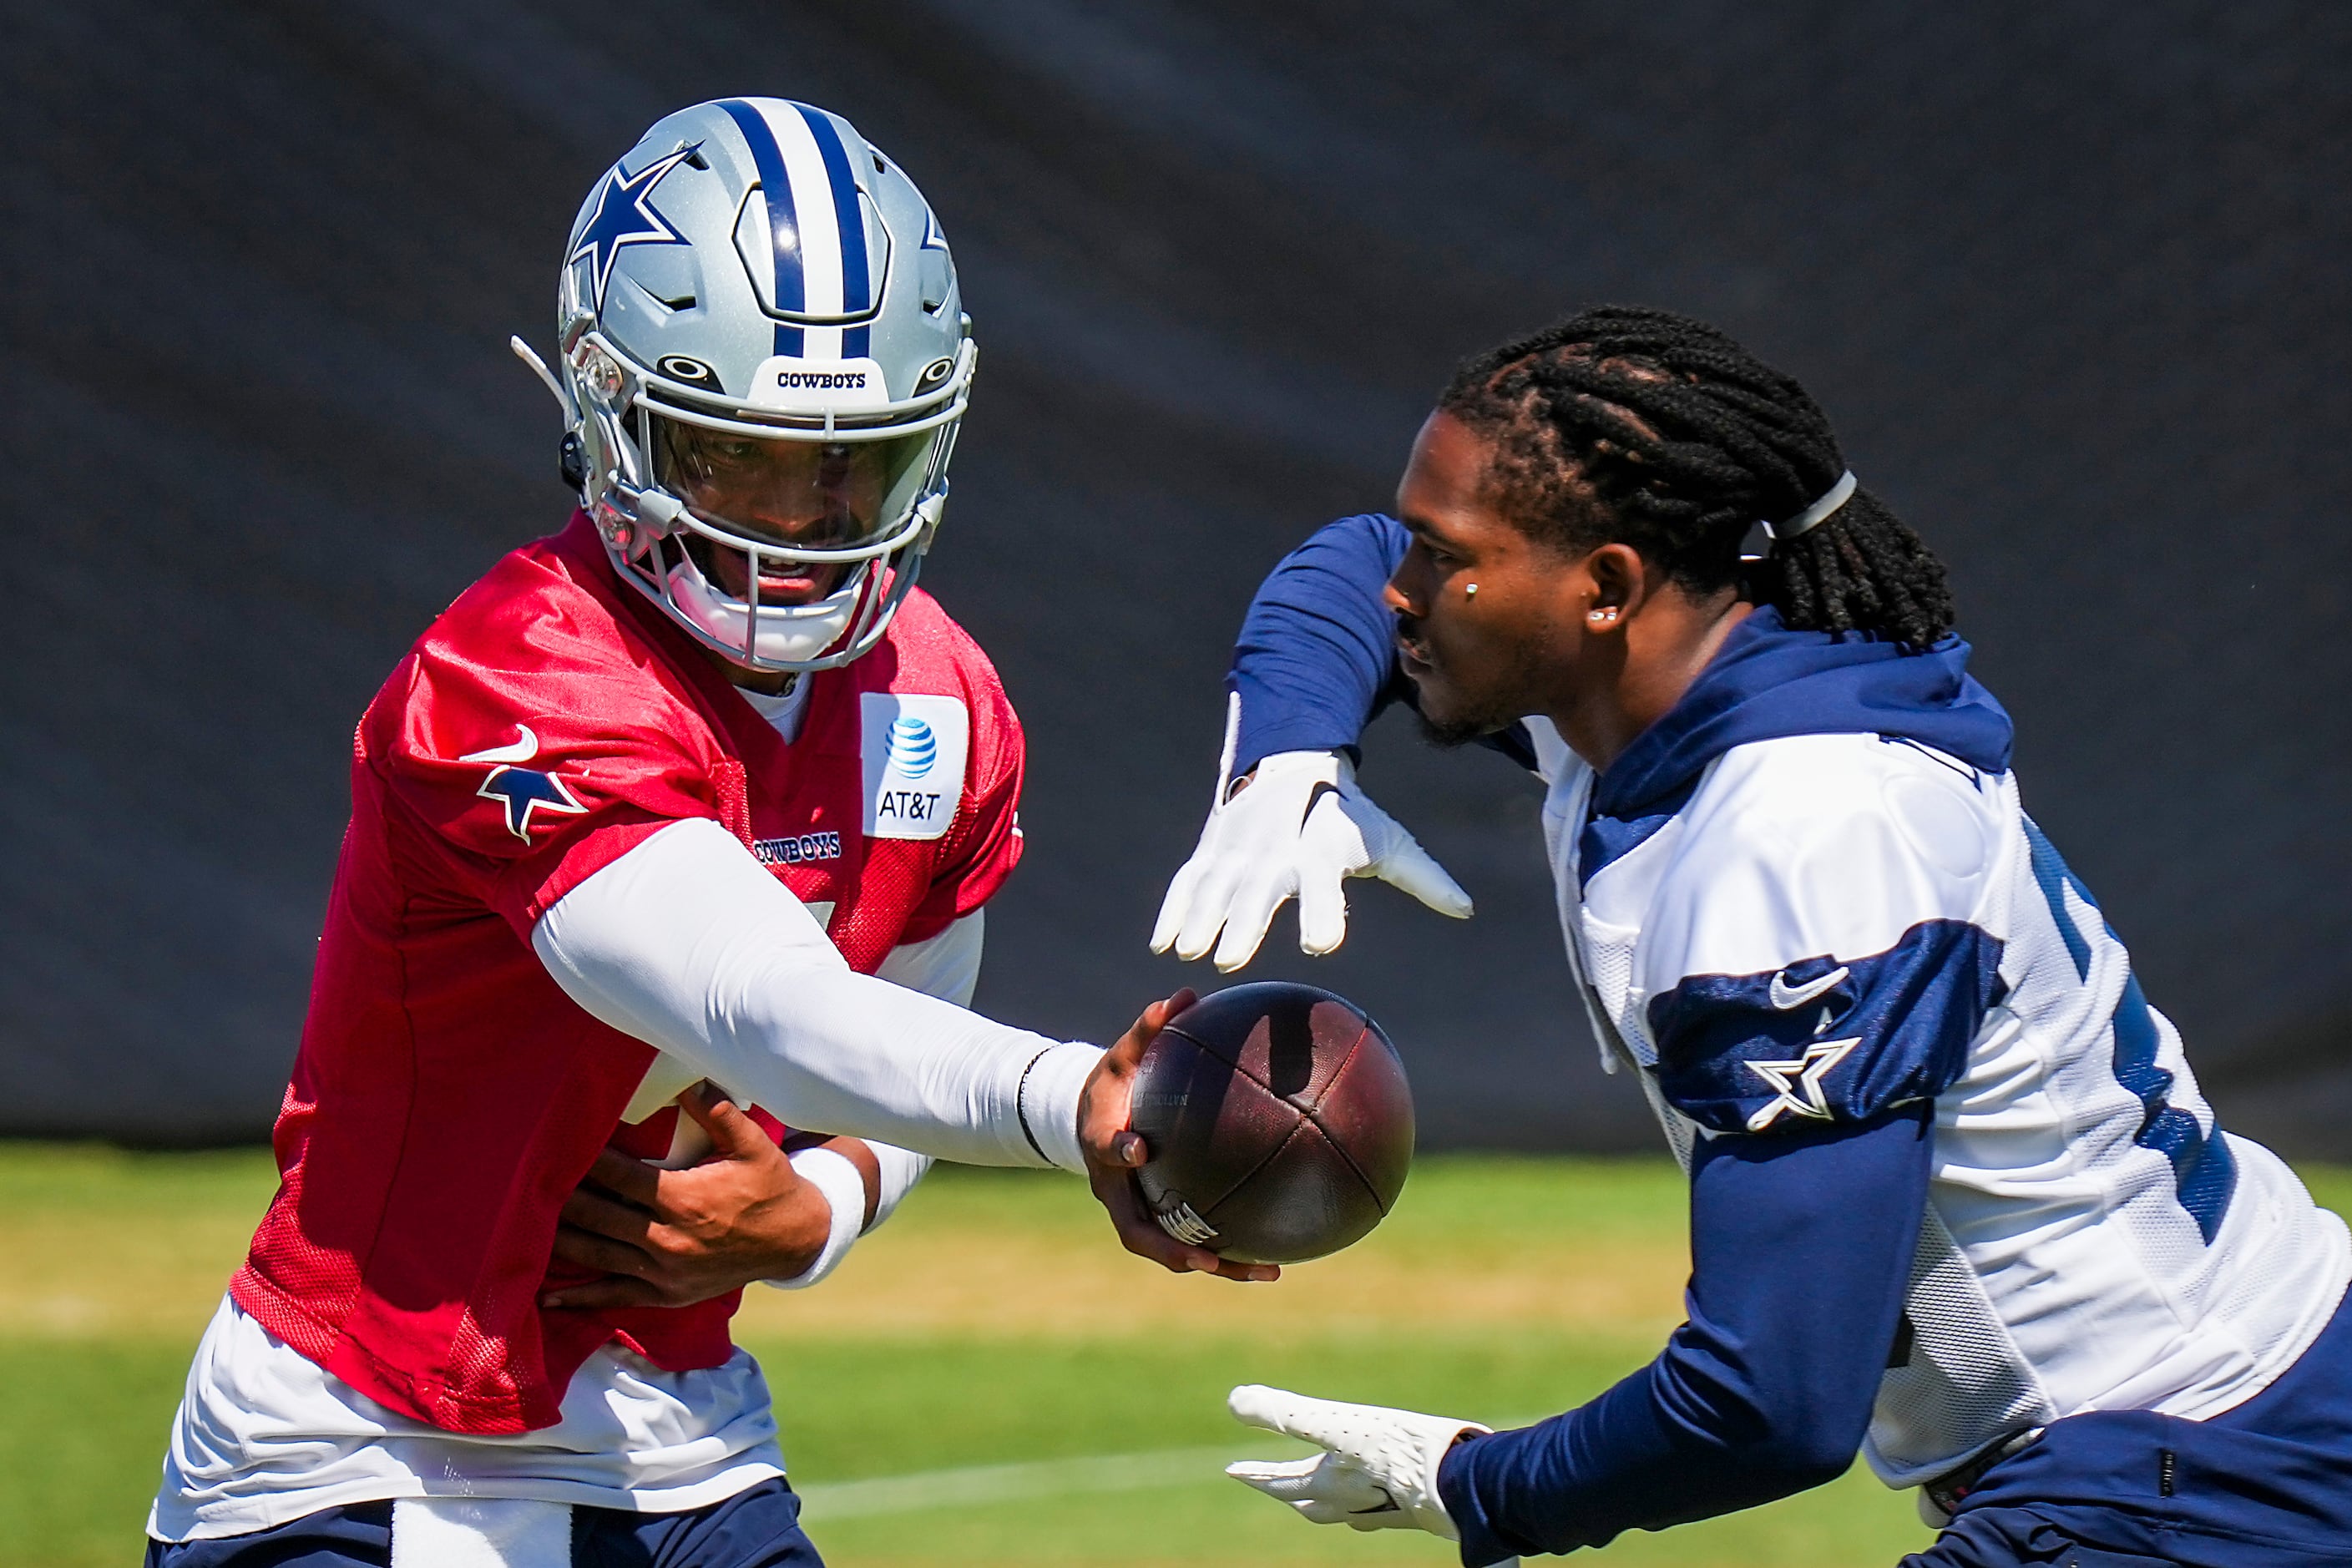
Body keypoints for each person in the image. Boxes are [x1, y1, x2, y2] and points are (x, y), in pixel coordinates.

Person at [144, 97, 1247, 1568]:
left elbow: (912, 1005)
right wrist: (1074, 1104)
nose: (798, 521)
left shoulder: (940, 693)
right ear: (612, 415)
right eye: (738, 459)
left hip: (675, 1427)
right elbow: (766, 1006)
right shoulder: (516, 673)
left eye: (847, 463)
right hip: (360, 1429)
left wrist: (832, 1200)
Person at [1154, 306, 2352, 1566]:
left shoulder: (1803, 837)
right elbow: (1349, 565)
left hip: (2197, 1458)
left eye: (1445, 556)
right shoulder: (1657, 692)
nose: (1401, 589)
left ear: (1605, 588)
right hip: (2196, 1429)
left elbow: (1770, 1399)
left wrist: (1477, 1484)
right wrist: (1289, 751)